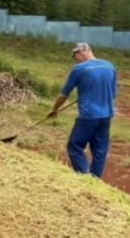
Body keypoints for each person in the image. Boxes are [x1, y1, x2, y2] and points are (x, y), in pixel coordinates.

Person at [48, 42, 117, 178]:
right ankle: (95, 180)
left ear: (81, 53)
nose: (75, 59)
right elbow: (112, 93)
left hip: (88, 116)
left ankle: (84, 175)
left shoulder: (79, 69)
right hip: (106, 115)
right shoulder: (110, 66)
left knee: (75, 145)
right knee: (100, 150)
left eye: (75, 56)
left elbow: (64, 94)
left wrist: (55, 109)